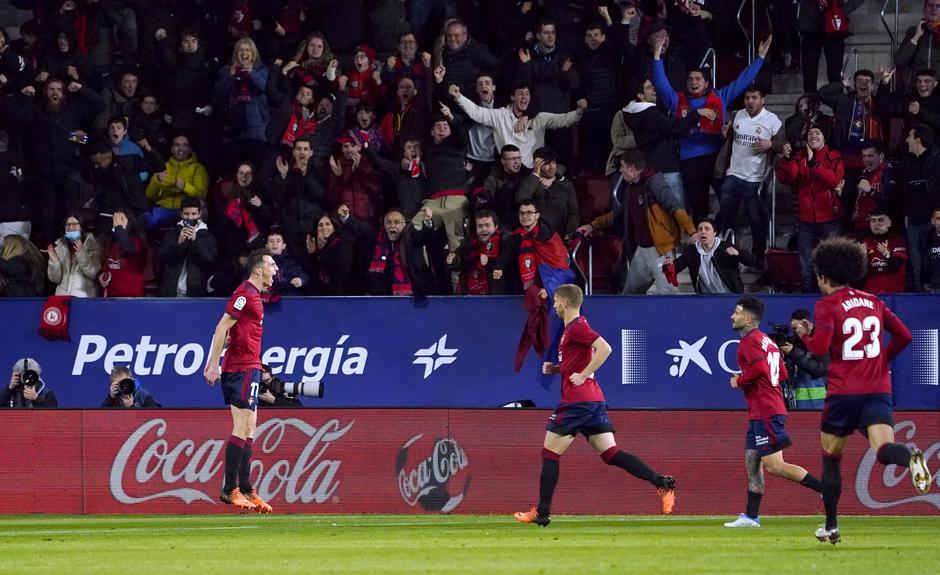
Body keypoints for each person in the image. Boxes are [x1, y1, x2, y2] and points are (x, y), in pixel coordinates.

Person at [802, 237, 930, 544]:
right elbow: (905, 336)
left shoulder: (827, 304)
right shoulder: (873, 301)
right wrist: (880, 360)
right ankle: (910, 454)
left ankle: (831, 527)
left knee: (831, 459)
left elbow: (819, 348)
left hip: (844, 392)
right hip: (877, 389)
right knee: (884, 451)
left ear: (823, 276)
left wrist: (806, 337)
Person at [513, 284, 676, 526]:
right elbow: (580, 359)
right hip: (592, 400)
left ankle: (543, 511)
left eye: (556, 300)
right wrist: (557, 369)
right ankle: (662, 483)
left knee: (550, 453)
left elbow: (605, 349)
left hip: (577, 401)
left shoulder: (578, 327)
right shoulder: (572, 329)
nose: (554, 304)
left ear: (565, 303)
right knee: (611, 454)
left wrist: (583, 374)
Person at [723, 296, 823, 528]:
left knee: (774, 465)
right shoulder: (766, 341)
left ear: (747, 318)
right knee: (752, 461)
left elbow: (759, 368)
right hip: (763, 409)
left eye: (736, 312)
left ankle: (824, 489)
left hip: (766, 409)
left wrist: (740, 380)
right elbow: (782, 374)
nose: (732, 316)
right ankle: (751, 516)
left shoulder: (749, 342)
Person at [203, 250, 278, 513]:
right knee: (241, 424)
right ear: (259, 270)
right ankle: (229, 489)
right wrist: (213, 364)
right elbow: (222, 326)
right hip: (240, 367)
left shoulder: (255, 296)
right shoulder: (244, 294)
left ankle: (246, 488)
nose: (276, 268)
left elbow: (236, 331)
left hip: (251, 365)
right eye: (271, 264)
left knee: (251, 426)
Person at [667, 218, 759, 294]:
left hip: (731, 295)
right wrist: (668, 265)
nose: (703, 232)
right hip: (706, 299)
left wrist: (738, 254)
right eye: (700, 229)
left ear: (714, 233)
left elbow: (753, 261)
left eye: (707, 229)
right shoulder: (692, 251)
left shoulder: (725, 246)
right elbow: (675, 267)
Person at [157, 197, 219, 297]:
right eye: (186, 214)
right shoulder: (172, 234)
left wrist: (196, 242)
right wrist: (179, 242)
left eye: (193, 214)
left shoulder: (207, 236)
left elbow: (210, 262)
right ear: (181, 214)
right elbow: (162, 257)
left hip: (196, 292)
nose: (190, 217)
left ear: (199, 214)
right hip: (171, 290)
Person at [778, 309, 829, 410]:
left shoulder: (822, 341)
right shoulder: (793, 344)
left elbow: (822, 369)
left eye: (800, 329)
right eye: (794, 329)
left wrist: (794, 353)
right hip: (799, 401)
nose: (797, 332)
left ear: (810, 325)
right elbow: (788, 374)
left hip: (821, 402)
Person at [46, 213, 101, 298]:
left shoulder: (93, 246)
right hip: (62, 297)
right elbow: (55, 279)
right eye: (68, 225)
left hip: (83, 297)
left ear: (82, 227)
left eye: (75, 224)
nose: (71, 228)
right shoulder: (60, 247)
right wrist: (54, 261)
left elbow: (93, 273)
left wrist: (82, 254)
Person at [858, 209, 908, 293]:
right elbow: (859, 275)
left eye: (881, 220)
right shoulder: (864, 242)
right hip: (871, 293)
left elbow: (896, 267)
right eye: (873, 221)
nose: (876, 224)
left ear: (889, 223)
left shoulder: (897, 240)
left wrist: (887, 255)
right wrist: (861, 259)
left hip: (894, 293)